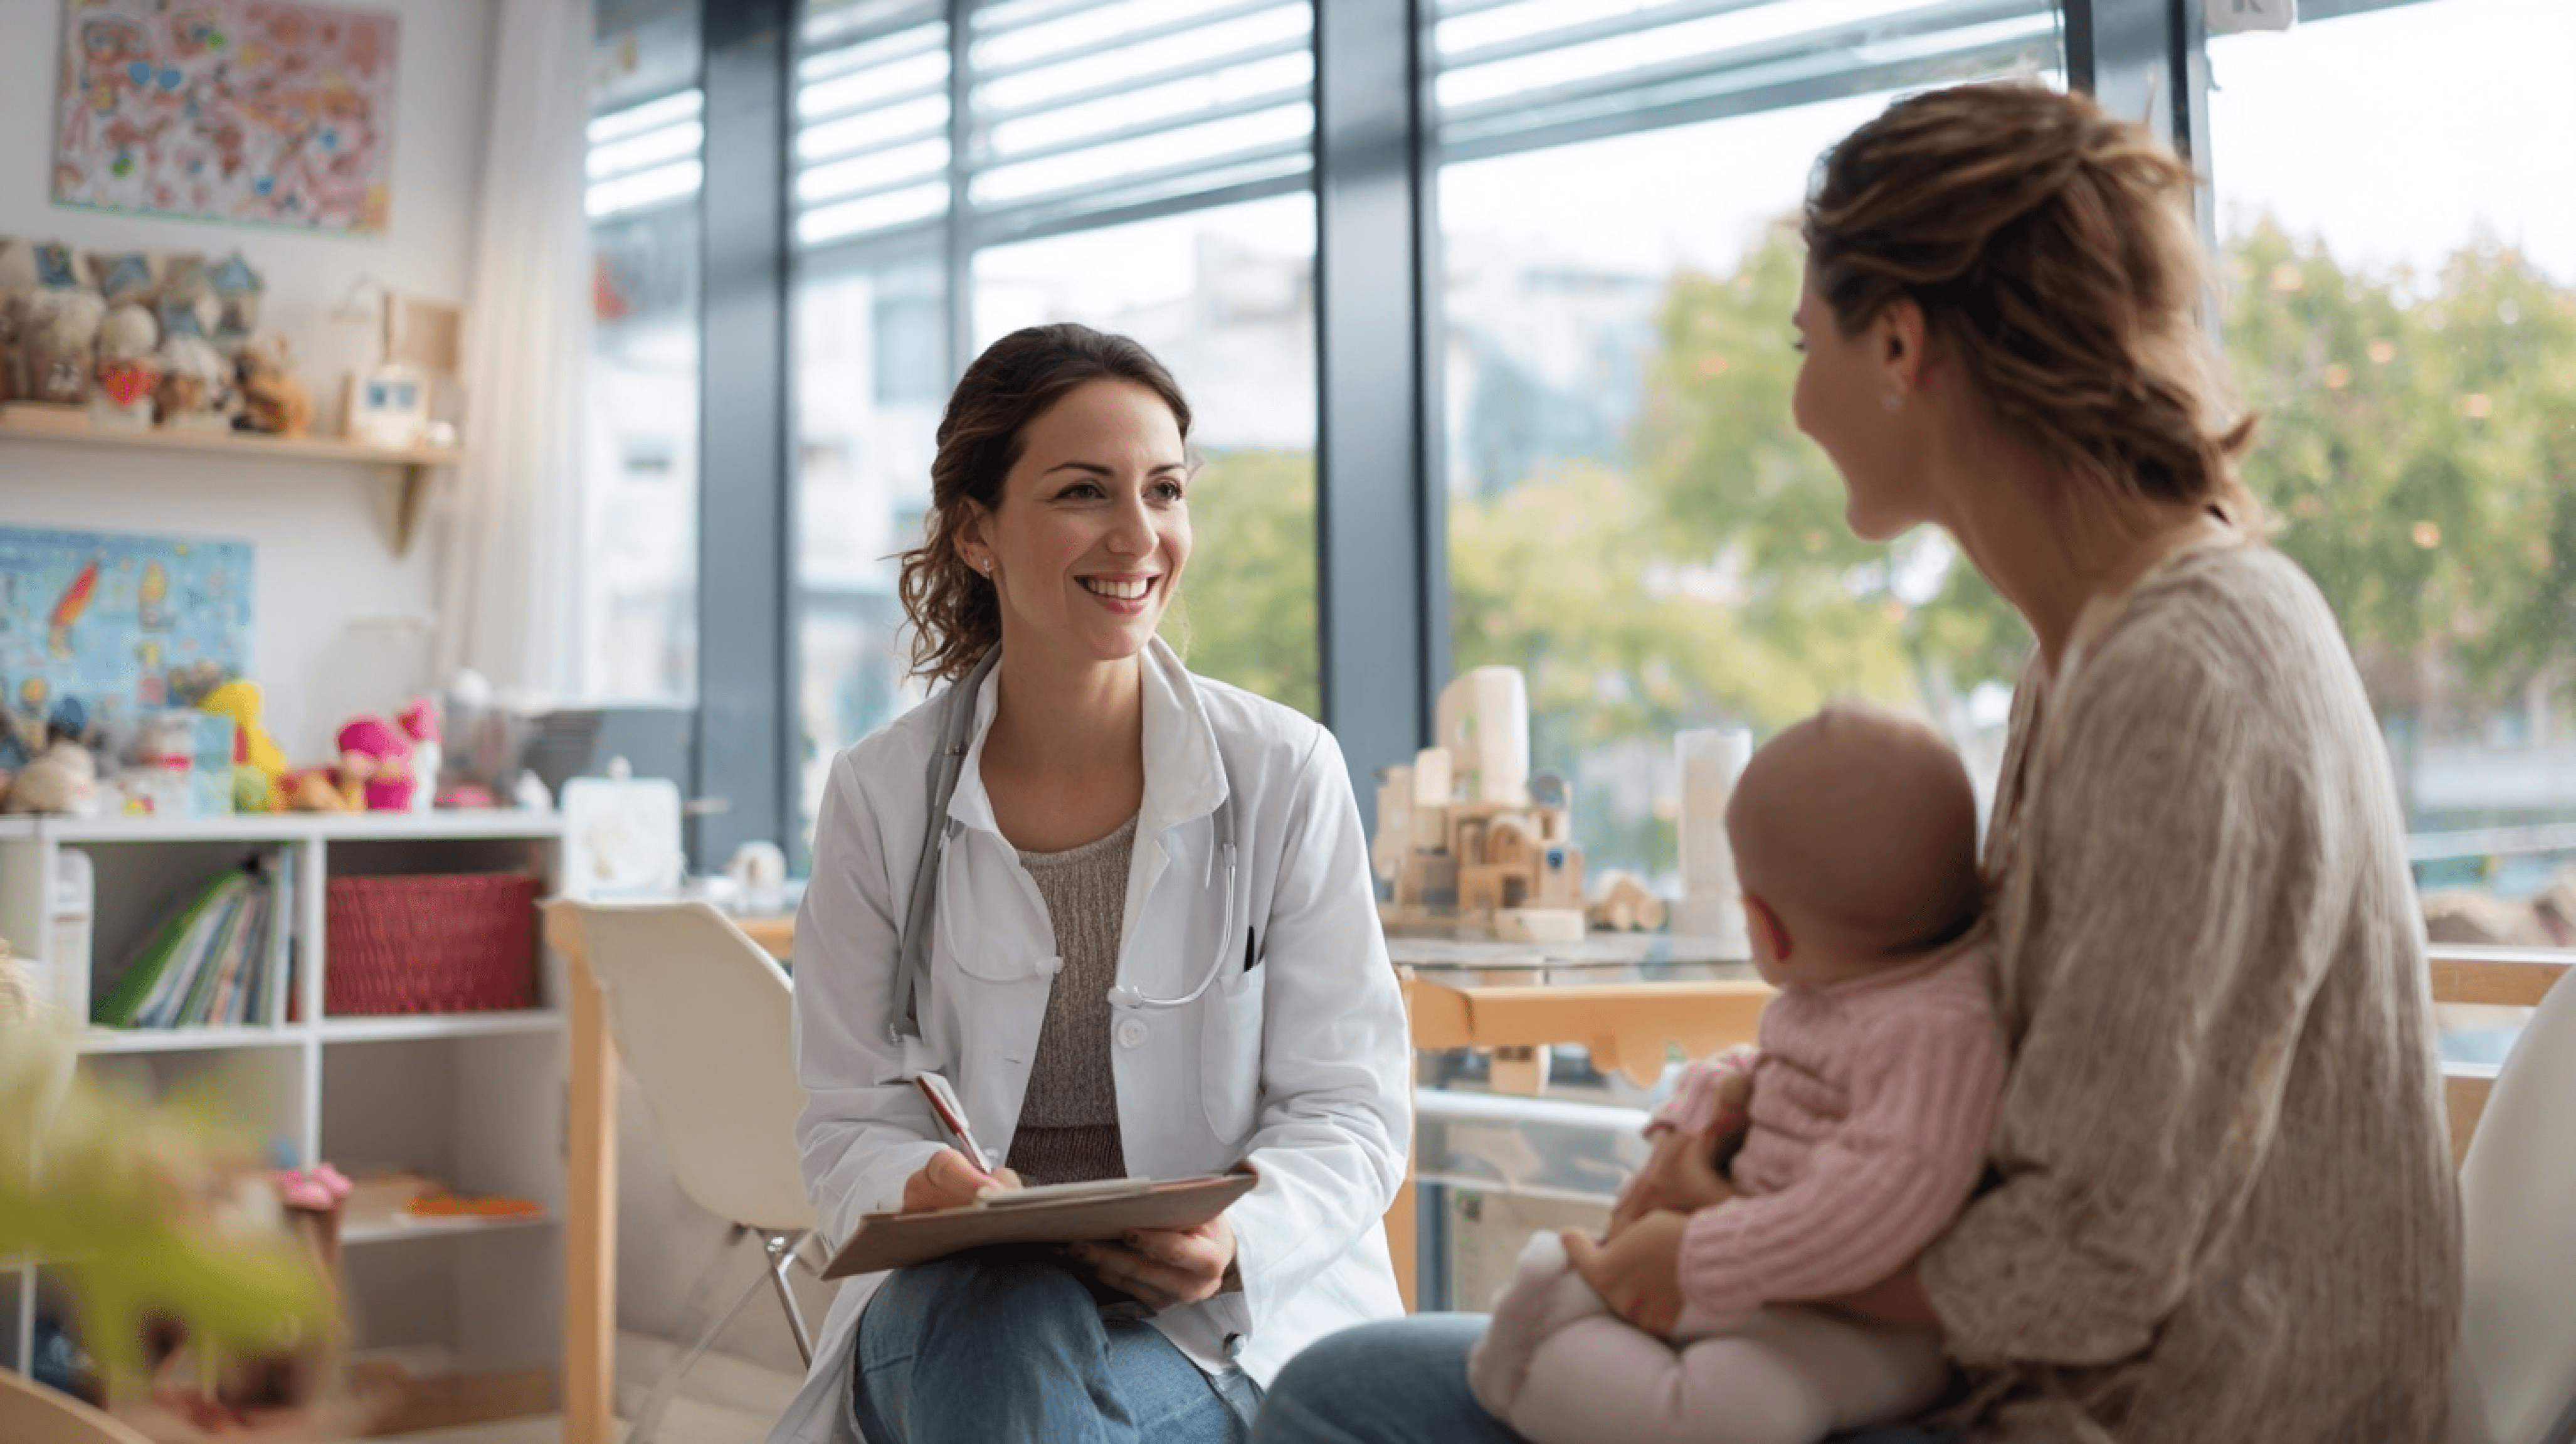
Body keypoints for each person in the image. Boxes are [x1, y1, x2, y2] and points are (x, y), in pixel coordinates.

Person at [1252, 80, 2457, 1444]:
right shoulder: (2091, 651)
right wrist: (1745, 1147)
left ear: (1898, 343)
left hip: (2167, 1412)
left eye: (1801, 339)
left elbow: (2095, 1253)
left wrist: (1709, 1250)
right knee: (1356, 1383)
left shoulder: (2189, 674)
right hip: (2041, 1374)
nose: (1795, 399)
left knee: (1346, 1404)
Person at [768, 323, 1412, 1444]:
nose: (1137, 535)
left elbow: (1348, 1106)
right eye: (1082, 491)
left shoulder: (1281, 771)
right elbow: (846, 1115)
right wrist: (919, 1182)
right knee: (1006, 1316)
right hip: (955, 1305)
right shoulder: (879, 796)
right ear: (975, 531)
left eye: (1163, 489)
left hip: (1212, 1321)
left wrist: (1237, 1236)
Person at [1467, 701, 2004, 1444]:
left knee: (1738, 1408)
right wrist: (1706, 1096)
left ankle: (1526, 1364)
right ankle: (1534, 1343)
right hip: (1765, 1281)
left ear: (1769, 929)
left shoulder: (1942, 1032)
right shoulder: (1852, 990)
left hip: (1859, 1319)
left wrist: (1700, 1251)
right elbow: (1780, 1067)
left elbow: (1878, 1199)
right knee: (1591, 1305)